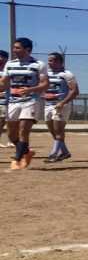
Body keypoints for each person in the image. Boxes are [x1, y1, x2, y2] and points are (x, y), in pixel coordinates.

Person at [1, 38, 49, 170]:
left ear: (27, 49)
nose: (14, 50)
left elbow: (45, 84)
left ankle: (17, 159)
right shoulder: (10, 64)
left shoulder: (39, 64)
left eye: (17, 48)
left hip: (31, 100)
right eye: (14, 47)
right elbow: (4, 83)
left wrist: (30, 90)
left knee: (23, 129)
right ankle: (26, 152)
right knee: (11, 134)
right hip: (13, 102)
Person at [44, 52, 78, 163]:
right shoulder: (46, 74)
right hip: (48, 105)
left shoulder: (67, 74)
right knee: (52, 131)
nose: (49, 63)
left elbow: (75, 91)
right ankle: (65, 152)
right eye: (48, 60)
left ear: (59, 62)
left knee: (58, 130)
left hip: (61, 105)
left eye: (52, 60)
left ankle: (53, 154)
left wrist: (63, 102)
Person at [0, 50, 10, 149]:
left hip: (7, 100)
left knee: (9, 121)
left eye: (1, 57)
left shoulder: (8, 71)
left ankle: (10, 141)